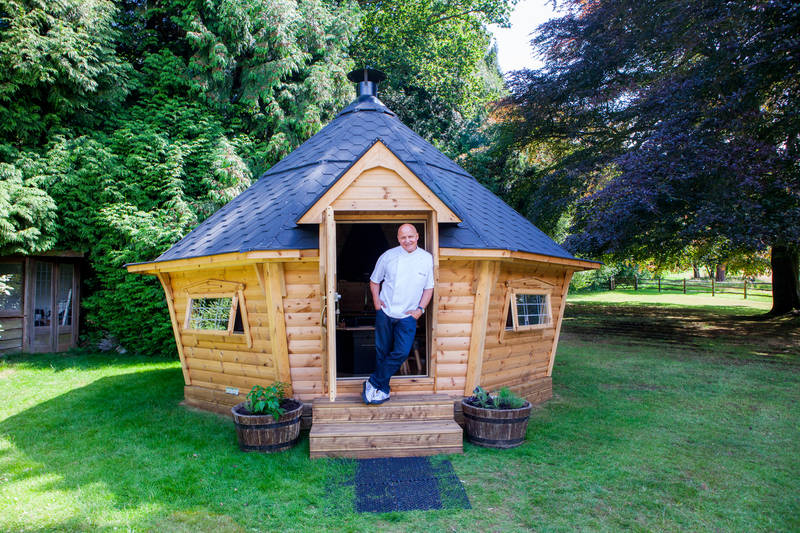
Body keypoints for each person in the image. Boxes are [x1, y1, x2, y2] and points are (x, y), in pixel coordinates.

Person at [362, 223, 434, 404]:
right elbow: (374, 281)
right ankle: (382, 391)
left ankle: (373, 382)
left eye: (410, 236)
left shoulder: (426, 258)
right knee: (382, 352)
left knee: (401, 352)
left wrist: (420, 310)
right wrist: (377, 302)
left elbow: (429, 288)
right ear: (398, 239)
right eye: (403, 237)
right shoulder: (388, 256)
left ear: (417, 236)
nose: (407, 240)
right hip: (386, 312)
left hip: (408, 316)